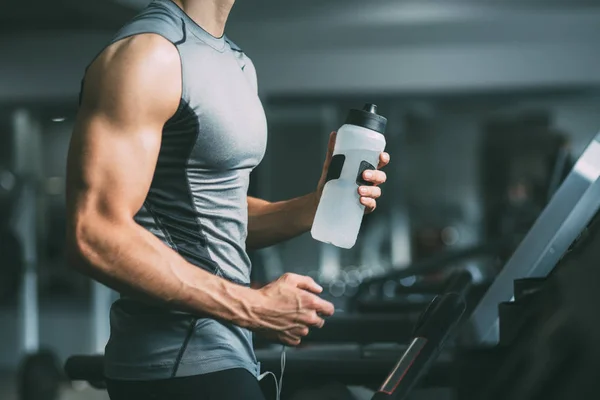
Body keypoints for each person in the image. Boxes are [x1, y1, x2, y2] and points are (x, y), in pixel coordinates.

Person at [64, 0, 390, 399]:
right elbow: (94, 233)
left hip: (230, 354)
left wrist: (315, 205)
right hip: (175, 367)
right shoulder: (148, 54)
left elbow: (216, 215)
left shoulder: (236, 63)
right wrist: (253, 306)